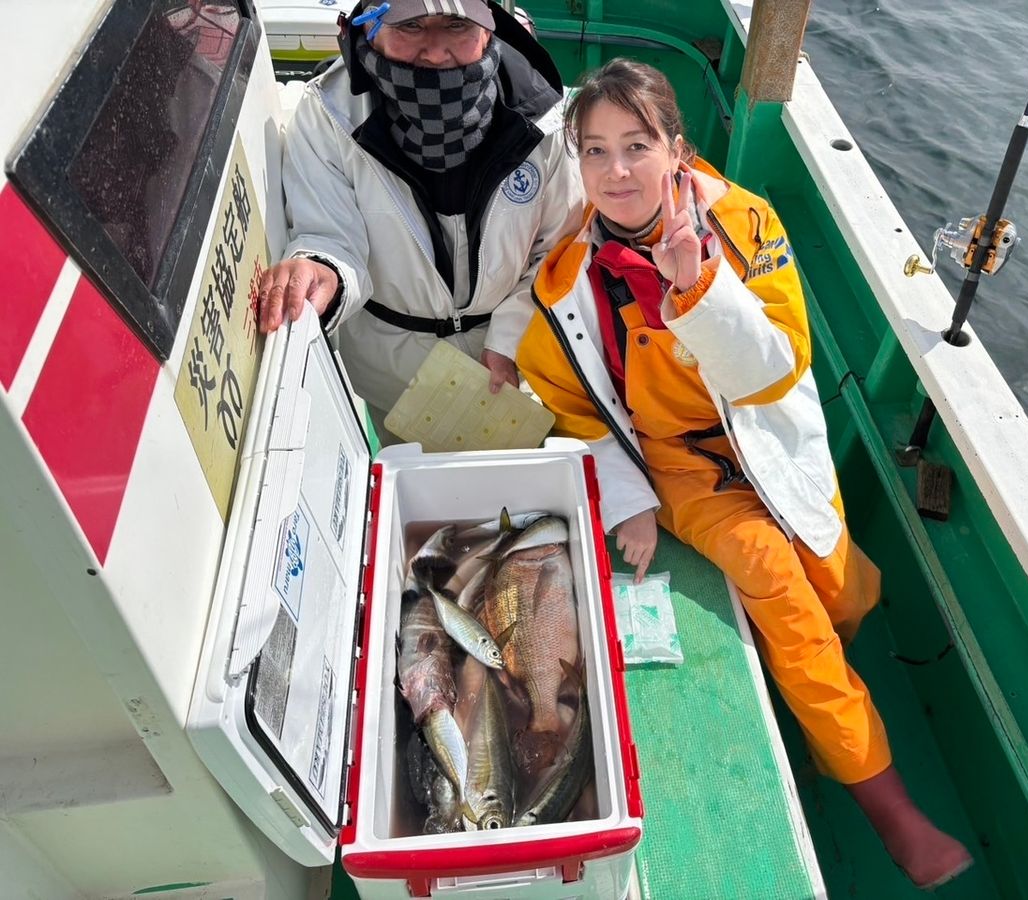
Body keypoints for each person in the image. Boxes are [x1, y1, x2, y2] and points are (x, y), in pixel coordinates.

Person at [516, 58, 973, 889]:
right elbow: (570, 409)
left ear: (676, 149)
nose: (617, 172)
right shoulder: (567, 278)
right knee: (777, 583)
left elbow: (775, 367)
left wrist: (696, 285)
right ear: (576, 163)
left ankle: (815, 689)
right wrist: (628, 500)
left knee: (847, 593)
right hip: (679, 463)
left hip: (770, 437)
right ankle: (889, 806)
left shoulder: (748, 227)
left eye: (637, 145)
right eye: (595, 151)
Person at [256, 0, 584, 437]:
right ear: (370, 30)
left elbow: (559, 252)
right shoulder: (328, 115)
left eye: (456, 24)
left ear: (489, 29)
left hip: (518, 364)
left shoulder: (545, 119)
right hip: (395, 379)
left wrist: (508, 340)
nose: (434, 52)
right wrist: (322, 271)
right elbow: (329, 236)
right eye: (410, 25)